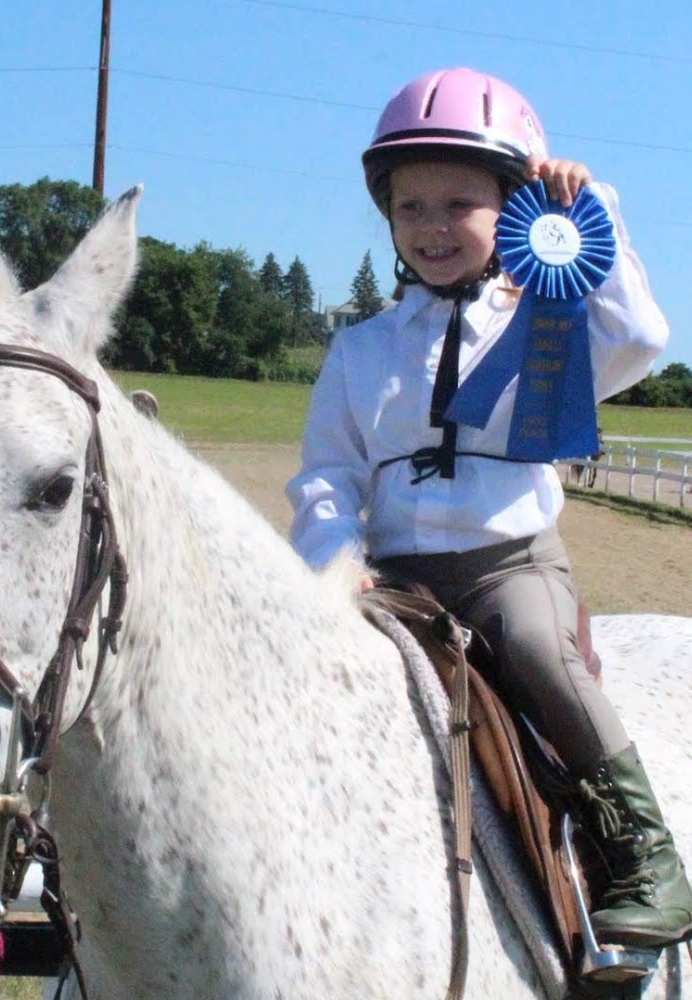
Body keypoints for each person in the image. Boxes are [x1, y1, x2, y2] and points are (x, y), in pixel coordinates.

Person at [286, 66, 692, 950]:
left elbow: (642, 338)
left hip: (509, 566)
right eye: (409, 207)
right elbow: (327, 477)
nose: (431, 228)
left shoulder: (545, 318)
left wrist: (592, 211)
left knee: (543, 649)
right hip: (393, 577)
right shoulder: (359, 350)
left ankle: (647, 855)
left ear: (511, 208)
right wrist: (333, 562)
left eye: (459, 204)